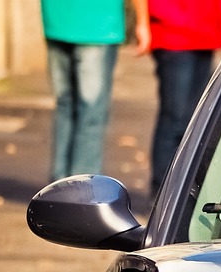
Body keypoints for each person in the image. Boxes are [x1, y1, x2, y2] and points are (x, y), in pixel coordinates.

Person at [40, 0, 147, 182]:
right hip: (97, 24)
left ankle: (58, 187)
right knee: (91, 113)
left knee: (65, 106)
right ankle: (81, 191)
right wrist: (143, 21)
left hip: (56, 18)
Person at [140, 0, 221, 196]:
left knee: (195, 121)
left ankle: (182, 192)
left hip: (205, 31)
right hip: (172, 32)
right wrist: (143, 23)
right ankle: (162, 192)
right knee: (174, 118)